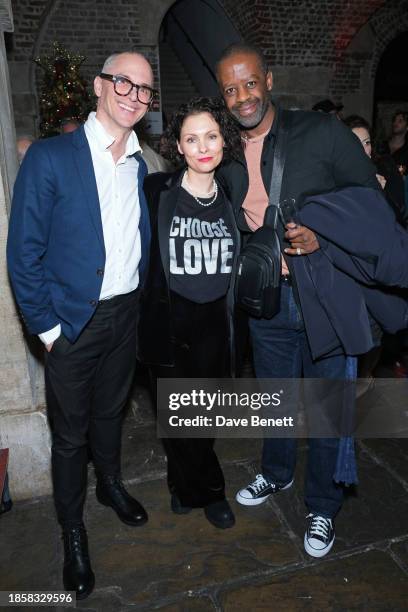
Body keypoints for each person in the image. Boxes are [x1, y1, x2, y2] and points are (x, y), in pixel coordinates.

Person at [215, 42, 381, 558]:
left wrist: (324, 238)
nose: (242, 96)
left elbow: (372, 206)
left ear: (268, 80)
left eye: (249, 83)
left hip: (322, 296)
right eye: (230, 89)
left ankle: (323, 508)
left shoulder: (319, 132)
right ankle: (276, 473)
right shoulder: (223, 152)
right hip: (266, 303)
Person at [7, 51, 155, 599]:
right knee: (69, 437)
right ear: (99, 86)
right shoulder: (50, 158)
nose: (133, 95)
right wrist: (48, 330)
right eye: (124, 82)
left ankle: (111, 486)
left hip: (124, 316)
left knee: (112, 412)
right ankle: (73, 530)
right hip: (71, 323)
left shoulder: (139, 162)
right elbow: (23, 253)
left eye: (143, 89)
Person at [139, 97, 242, 529]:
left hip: (216, 321)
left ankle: (182, 484)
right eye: (191, 138)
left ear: (223, 141)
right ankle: (209, 490)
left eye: (211, 137)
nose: (203, 147)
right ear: (178, 147)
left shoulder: (232, 191)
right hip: (168, 317)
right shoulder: (156, 191)